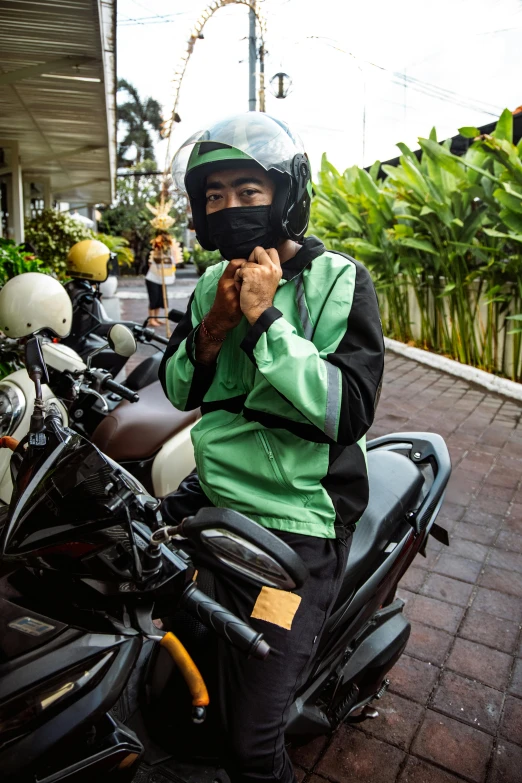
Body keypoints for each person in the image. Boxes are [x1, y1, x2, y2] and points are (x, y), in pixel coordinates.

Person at [158, 112, 384, 783]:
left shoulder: (339, 281)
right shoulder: (206, 285)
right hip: (218, 494)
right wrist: (216, 326)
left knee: (254, 748)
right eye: (215, 195)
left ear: (285, 193)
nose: (230, 207)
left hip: (300, 521)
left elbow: (348, 408)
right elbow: (178, 389)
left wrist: (264, 321)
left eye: (248, 190)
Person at [145, 232, 180, 326]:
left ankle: (156, 318)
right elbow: (150, 262)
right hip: (152, 278)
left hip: (162, 279)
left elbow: (173, 262)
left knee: (160, 299)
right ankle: (151, 319)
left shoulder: (169, 251)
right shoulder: (155, 249)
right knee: (154, 299)